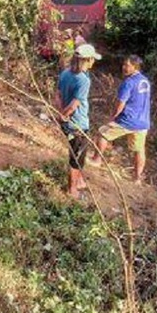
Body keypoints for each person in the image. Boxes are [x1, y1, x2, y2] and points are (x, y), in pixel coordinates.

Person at [88, 55, 151, 183]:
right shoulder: (145, 81)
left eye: (127, 65)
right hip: (143, 122)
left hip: (127, 120)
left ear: (135, 66)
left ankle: (96, 160)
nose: (124, 68)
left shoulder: (128, 83)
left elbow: (120, 104)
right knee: (139, 149)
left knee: (103, 133)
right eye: (123, 65)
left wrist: (112, 117)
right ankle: (137, 178)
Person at [54, 44, 101, 198]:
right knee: (76, 158)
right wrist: (65, 114)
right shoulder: (83, 80)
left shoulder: (65, 73)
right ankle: (72, 190)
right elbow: (75, 104)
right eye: (92, 59)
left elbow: (58, 95)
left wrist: (60, 113)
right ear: (87, 60)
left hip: (68, 123)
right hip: (77, 124)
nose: (94, 62)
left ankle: (79, 181)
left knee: (77, 154)